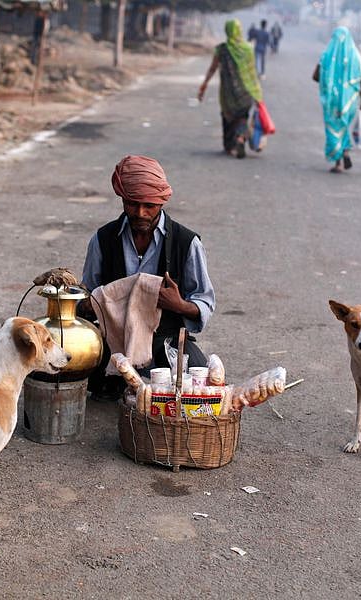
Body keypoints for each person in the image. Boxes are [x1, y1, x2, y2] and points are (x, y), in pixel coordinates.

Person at [81, 155, 216, 398]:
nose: (140, 213)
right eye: (132, 204)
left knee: (194, 383)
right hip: (115, 342)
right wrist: (91, 303)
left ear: (162, 202)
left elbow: (204, 301)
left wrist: (180, 305)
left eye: (149, 206)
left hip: (165, 341)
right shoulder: (103, 239)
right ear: (122, 198)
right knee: (64, 364)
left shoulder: (187, 243)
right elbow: (87, 292)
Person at [198, 19, 263, 159]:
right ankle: (240, 138)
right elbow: (252, 73)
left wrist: (204, 85)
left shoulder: (221, 49)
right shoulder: (247, 49)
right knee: (242, 118)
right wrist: (257, 94)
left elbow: (212, 68)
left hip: (228, 94)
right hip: (246, 92)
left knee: (228, 117)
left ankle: (229, 147)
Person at [312, 27, 361, 173]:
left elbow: (315, 76)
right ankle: (345, 151)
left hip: (332, 101)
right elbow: (360, 80)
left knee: (334, 130)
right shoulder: (355, 56)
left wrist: (329, 79)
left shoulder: (326, 56)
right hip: (349, 102)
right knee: (343, 128)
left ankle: (338, 162)